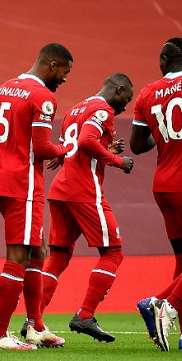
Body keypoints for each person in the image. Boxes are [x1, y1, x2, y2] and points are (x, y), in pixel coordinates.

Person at [0, 43, 73, 350]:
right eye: (65, 71)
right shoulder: (43, 97)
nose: (64, 79)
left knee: (38, 250)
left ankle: (35, 326)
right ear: (52, 65)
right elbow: (42, 148)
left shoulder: (5, 89)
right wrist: (66, 148)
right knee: (18, 257)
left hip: (0, 182)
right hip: (23, 185)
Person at [130, 37, 182, 351]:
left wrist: (161, 131)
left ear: (162, 62)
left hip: (162, 186)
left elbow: (138, 145)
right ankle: (165, 303)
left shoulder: (147, 93)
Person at [40, 73, 134, 343]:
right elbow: (85, 142)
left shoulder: (74, 109)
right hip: (84, 190)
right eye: (126, 99)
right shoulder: (103, 110)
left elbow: (69, 147)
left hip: (60, 189)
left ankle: (33, 320)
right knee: (112, 252)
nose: (124, 107)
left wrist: (105, 147)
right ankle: (85, 314)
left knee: (58, 257)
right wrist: (117, 160)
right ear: (118, 89)